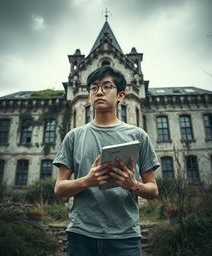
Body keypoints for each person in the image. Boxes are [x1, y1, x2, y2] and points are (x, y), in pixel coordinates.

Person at [53, 66, 159, 256]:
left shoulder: (138, 136)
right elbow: (59, 189)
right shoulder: (73, 136)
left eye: (107, 86)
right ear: (88, 97)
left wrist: (132, 185)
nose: (99, 91)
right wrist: (87, 181)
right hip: (81, 236)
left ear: (120, 96)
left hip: (125, 237)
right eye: (93, 88)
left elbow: (153, 190)